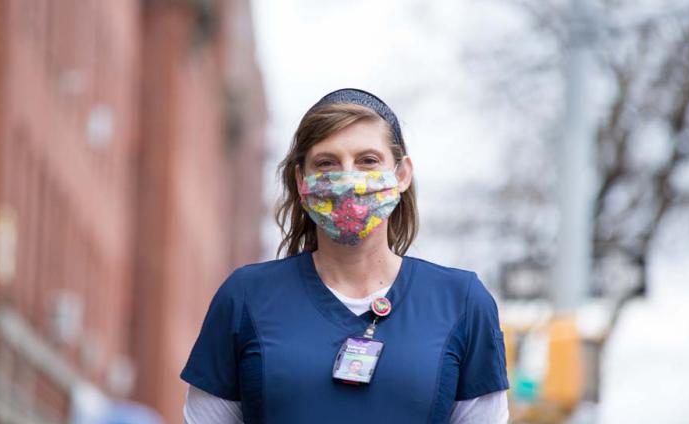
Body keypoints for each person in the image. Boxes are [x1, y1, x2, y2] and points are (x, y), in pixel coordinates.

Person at [181, 88, 509, 423]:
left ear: (402, 174)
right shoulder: (246, 297)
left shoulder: (462, 303)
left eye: (368, 161)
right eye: (327, 163)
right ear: (301, 180)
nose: (348, 178)